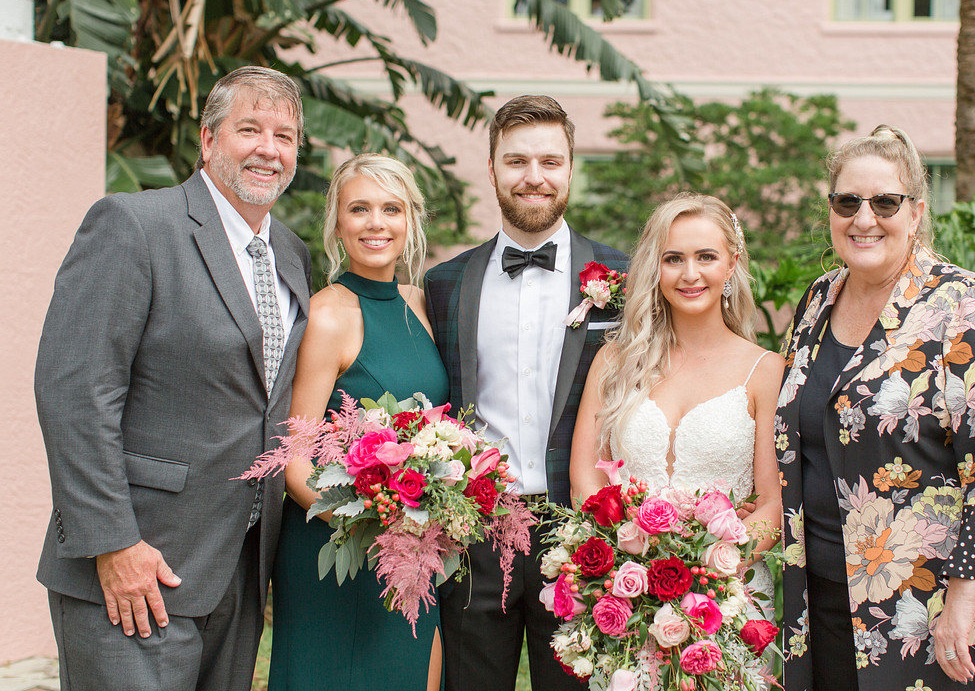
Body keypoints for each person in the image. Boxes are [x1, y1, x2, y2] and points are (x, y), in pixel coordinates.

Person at [35, 66, 311, 690]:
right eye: (250, 129)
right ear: (209, 142)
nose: (270, 148)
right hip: (135, 569)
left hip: (238, 574)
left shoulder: (290, 254)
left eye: (285, 135)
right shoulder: (133, 226)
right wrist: (114, 544)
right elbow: (76, 394)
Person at [776, 124, 975, 690]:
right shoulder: (816, 301)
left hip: (941, 607)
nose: (864, 217)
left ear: (916, 211)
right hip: (829, 601)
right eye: (847, 201)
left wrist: (960, 603)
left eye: (885, 201)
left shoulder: (969, 306)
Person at [425, 95, 628, 691]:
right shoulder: (445, 284)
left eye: (549, 161)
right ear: (491, 170)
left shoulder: (626, 277)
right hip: (475, 531)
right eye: (516, 162)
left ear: (571, 168)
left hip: (584, 531)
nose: (533, 177)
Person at [270, 153, 448, 691]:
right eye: (360, 209)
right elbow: (294, 461)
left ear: (411, 219)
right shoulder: (328, 314)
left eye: (391, 208)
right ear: (337, 222)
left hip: (416, 549)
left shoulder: (420, 305)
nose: (376, 223)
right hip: (343, 549)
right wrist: (371, 525)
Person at [569, 193, 783, 620]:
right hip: (625, 593)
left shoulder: (765, 371)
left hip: (728, 596)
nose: (690, 274)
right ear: (656, 267)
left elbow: (773, 505)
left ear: (732, 263)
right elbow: (585, 477)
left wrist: (711, 569)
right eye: (673, 259)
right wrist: (628, 564)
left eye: (706, 256)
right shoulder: (613, 362)